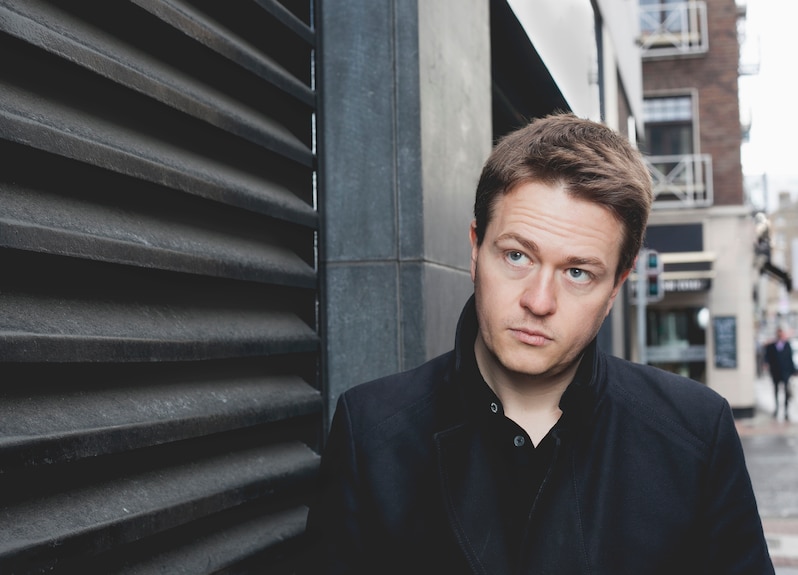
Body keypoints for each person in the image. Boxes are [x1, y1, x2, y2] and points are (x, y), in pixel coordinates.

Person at [301, 113, 773, 574]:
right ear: (474, 248)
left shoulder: (694, 434)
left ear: (616, 287)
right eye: (517, 255)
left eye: (577, 272)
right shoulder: (371, 431)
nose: (539, 300)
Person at [764, 327, 794, 420]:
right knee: (776, 391)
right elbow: (767, 357)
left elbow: (790, 358)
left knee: (786, 392)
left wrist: (793, 371)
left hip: (785, 372)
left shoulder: (787, 345)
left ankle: (786, 411)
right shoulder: (771, 346)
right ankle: (776, 409)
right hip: (775, 372)